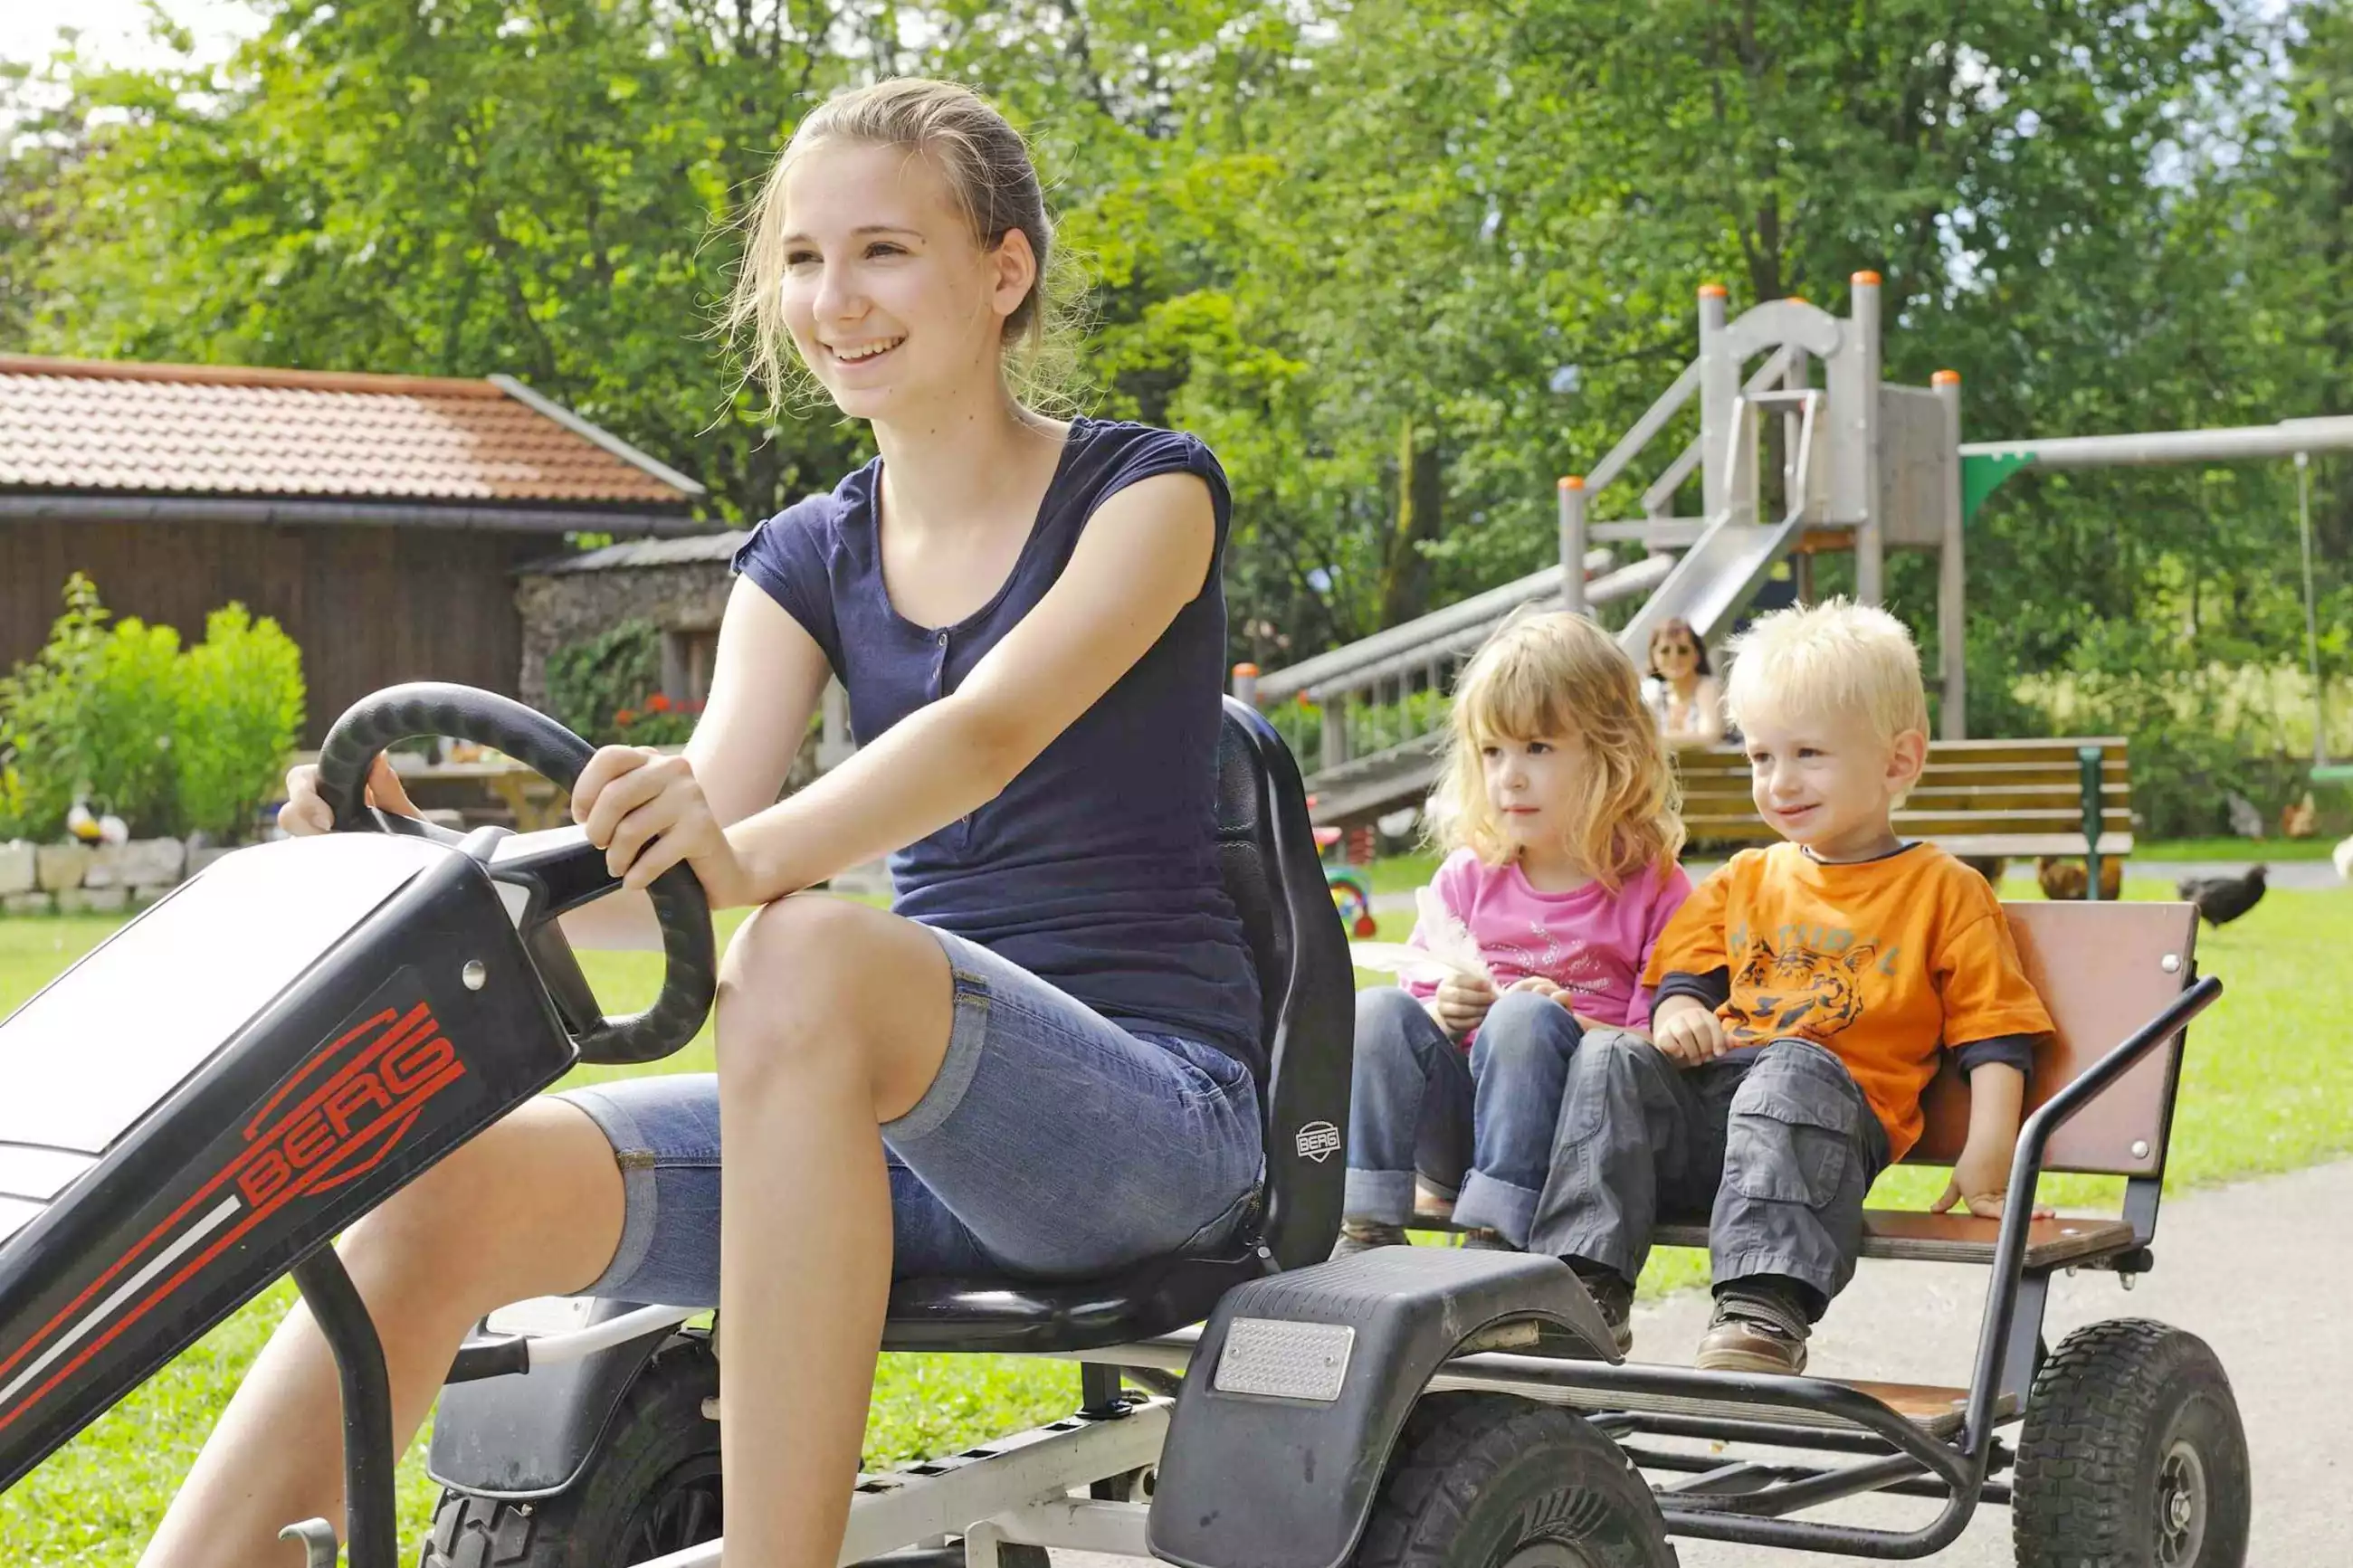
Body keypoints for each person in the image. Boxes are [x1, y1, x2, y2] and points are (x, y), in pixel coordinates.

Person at [138, 78, 1264, 1568]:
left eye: (882, 251)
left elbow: (985, 732)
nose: (833, 300)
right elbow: (679, 858)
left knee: (801, 951)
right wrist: (408, 869)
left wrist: (748, 861)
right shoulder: (802, 555)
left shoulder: (1150, 493)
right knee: (444, 1194)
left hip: (1149, 1126)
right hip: (884, 1140)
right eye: (801, 259)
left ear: (1006, 270)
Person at [1532, 599, 2053, 1373]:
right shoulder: (1746, 876)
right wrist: (1680, 1010)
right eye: (1760, 757)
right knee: (1610, 1055)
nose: (1779, 781)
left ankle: (1762, 1308)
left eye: (1808, 753)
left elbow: (1995, 1030)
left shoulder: (1943, 889)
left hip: (1825, 1128)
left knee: (1794, 1062)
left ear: (1898, 763)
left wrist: (1990, 1151)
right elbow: (1682, 975)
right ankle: (1581, 1288)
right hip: (1716, 1121)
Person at [1333, 613, 1691, 1337]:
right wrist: (1447, 1008)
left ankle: (1495, 1250)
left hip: (1574, 1152)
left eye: (1538, 747)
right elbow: (1419, 999)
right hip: (1461, 1138)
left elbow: (1657, 1053)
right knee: (1378, 1011)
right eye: (1492, 751)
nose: (1510, 775)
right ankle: (1364, 1228)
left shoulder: (1655, 887)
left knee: (1525, 1019)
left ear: (1612, 752)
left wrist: (1566, 1020)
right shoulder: (1469, 876)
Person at [1642, 616, 1724, 746]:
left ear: (1697, 656)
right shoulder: (1654, 694)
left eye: (1683, 650)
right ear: (1653, 657)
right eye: (1665, 651)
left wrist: (1654, 740)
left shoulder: (1708, 687)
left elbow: (1710, 737)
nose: (1674, 657)